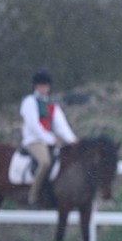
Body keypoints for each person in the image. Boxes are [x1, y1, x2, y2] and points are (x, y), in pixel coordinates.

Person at [20, 70, 77, 206]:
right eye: (41, 86)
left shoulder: (51, 104)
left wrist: (73, 140)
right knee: (45, 162)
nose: (44, 88)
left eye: (46, 86)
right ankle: (33, 196)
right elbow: (34, 125)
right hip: (33, 140)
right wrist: (50, 139)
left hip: (48, 140)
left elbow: (61, 125)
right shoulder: (30, 102)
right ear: (36, 86)